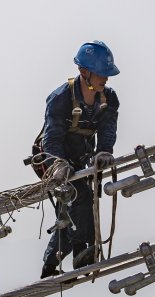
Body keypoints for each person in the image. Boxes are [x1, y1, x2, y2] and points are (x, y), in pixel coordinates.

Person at [37, 40, 121, 278]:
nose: (105, 78)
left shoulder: (109, 100)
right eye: (101, 73)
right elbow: (51, 138)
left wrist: (104, 150)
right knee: (79, 198)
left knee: (80, 204)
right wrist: (58, 165)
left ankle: (58, 264)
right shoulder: (61, 98)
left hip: (80, 158)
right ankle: (79, 254)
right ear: (84, 72)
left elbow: (107, 130)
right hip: (52, 159)